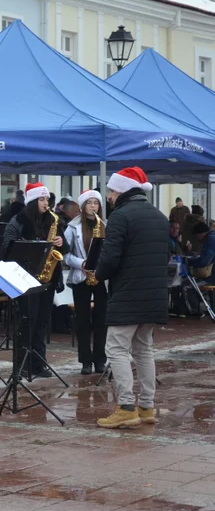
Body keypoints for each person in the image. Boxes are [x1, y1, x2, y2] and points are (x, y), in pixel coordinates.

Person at [95, 167, 169, 428]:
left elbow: (111, 256)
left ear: (121, 190)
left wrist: (97, 273)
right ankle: (147, 406)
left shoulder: (120, 216)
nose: (109, 196)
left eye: (112, 191)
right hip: (155, 294)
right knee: (144, 349)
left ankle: (126, 407)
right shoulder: (160, 216)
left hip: (127, 294)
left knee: (115, 348)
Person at [0, 183, 69, 380]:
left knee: (41, 322)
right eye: (42, 199)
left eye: (47, 200)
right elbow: (6, 247)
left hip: (48, 277)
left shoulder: (53, 220)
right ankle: (22, 363)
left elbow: (65, 249)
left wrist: (61, 243)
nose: (46, 203)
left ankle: (39, 362)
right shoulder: (18, 221)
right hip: (25, 278)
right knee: (26, 321)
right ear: (32, 202)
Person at [64, 190, 108, 376]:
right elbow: (65, 255)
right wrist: (81, 263)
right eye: (89, 203)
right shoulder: (72, 227)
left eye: (95, 203)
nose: (93, 206)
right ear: (83, 206)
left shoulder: (105, 225)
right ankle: (85, 361)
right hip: (81, 277)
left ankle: (100, 359)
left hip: (100, 277)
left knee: (101, 320)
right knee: (82, 320)